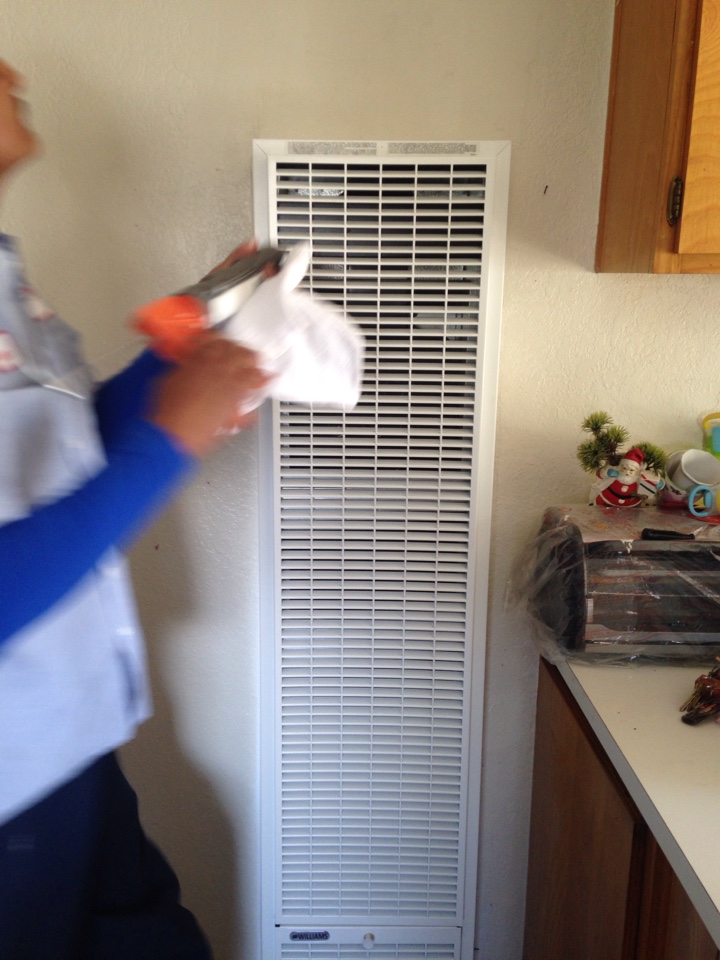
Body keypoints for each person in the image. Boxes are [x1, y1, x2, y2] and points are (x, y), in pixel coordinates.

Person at [0, 59, 270, 959]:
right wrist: (169, 442)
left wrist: (188, 345)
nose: (11, 69)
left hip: (70, 748)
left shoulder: (4, 273)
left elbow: (59, 455)